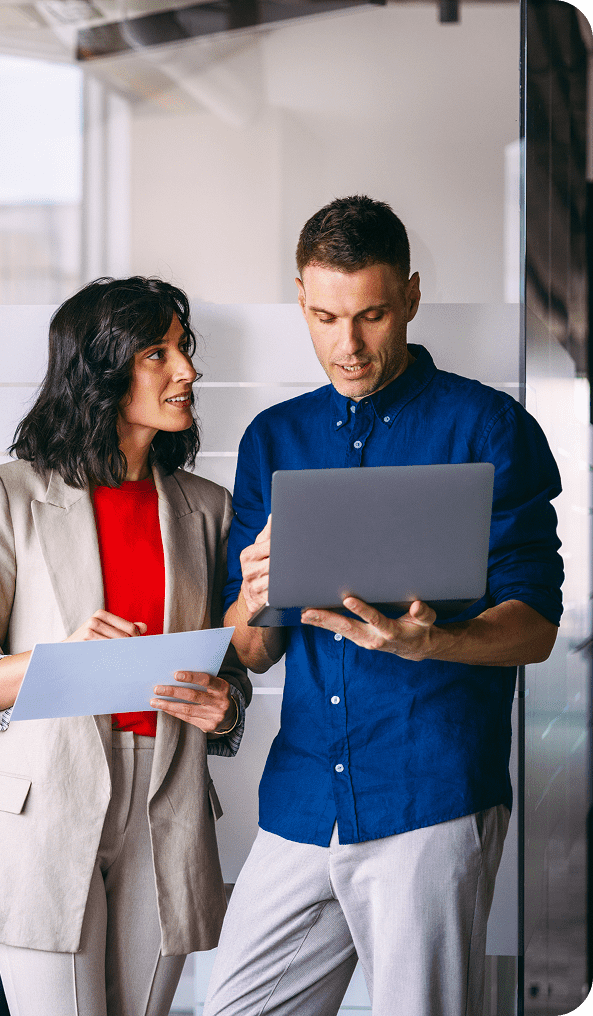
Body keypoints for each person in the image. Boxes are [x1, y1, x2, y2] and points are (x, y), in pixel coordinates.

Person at [205, 196, 563, 1016]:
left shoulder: (488, 427)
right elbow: (253, 653)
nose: (349, 345)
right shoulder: (273, 438)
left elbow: (536, 628)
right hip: (302, 796)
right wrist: (253, 600)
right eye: (326, 317)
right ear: (301, 300)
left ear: (410, 296)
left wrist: (431, 643)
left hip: (429, 792)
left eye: (371, 315)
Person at [0, 276, 251, 1016]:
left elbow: (228, 670)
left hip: (166, 809)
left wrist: (226, 709)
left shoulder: (208, 509)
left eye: (183, 349)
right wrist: (58, 663)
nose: (187, 370)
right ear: (102, 371)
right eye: (157, 354)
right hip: (44, 805)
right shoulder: (7, 494)